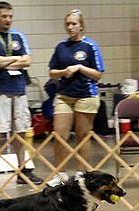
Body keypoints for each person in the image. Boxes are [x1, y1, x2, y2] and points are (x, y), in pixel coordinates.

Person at [0, 1, 43, 189]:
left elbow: (28, 61)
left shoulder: (18, 36)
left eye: (10, 16)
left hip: (19, 89)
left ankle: (23, 170)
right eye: (4, 16)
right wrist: (16, 59)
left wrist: (4, 61)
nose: (8, 20)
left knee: (21, 131)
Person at [47, 9, 105, 186]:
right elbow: (52, 72)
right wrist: (64, 72)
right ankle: (60, 174)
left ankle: (82, 173)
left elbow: (98, 74)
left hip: (86, 95)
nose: (70, 27)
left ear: (81, 26)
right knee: (60, 135)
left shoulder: (90, 46)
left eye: (74, 24)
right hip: (64, 96)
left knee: (82, 135)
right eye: (68, 24)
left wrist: (79, 67)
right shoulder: (61, 47)